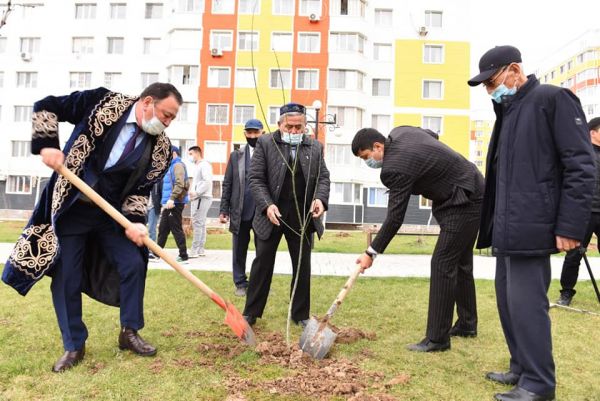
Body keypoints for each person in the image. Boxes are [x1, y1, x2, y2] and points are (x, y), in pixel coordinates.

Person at [1, 82, 180, 372]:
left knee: (133, 263)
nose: (168, 122)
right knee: (66, 276)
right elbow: (47, 104)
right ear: (148, 102)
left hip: (111, 217)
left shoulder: (160, 148)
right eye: (166, 114)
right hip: (73, 209)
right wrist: (47, 144)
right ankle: (74, 345)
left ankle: (129, 331)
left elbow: (139, 191)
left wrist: (136, 224)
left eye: (172, 118)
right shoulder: (102, 103)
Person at [468, 45, 595, 401]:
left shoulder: (553, 100)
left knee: (528, 306)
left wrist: (570, 227)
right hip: (509, 228)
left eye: (493, 82)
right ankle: (521, 368)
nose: (491, 91)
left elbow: (581, 167)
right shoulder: (509, 111)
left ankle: (539, 384)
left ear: (514, 70)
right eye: (487, 88)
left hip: (534, 225)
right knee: (509, 304)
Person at [353, 126, 484, 353]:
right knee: (460, 262)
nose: (369, 163)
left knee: (442, 263)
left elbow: (395, 217)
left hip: (463, 200)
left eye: (367, 157)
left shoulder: (394, 167)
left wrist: (370, 252)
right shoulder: (402, 132)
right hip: (471, 186)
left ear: (377, 146)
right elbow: (431, 135)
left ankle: (437, 339)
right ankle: (466, 325)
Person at [243, 103, 330, 326]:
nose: (293, 132)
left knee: (302, 265)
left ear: (305, 126)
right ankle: (251, 312)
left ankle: (300, 314)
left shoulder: (315, 147)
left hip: (301, 216)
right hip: (271, 214)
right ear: (280, 124)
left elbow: (323, 178)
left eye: (298, 127)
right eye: (289, 127)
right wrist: (267, 205)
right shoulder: (265, 143)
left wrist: (320, 198)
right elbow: (255, 178)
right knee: (262, 263)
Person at [556, 116, 600, 306]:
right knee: (574, 254)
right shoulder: (582, 154)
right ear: (593, 132)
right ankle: (566, 292)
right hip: (584, 212)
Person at [220, 119, 265, 297]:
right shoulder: (236, 156)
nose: (253, 136)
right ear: (245, 134)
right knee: (239, 250)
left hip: (262, 212)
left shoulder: (269, 154)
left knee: (262, 251)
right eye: (249, 133)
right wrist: (224, 209)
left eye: (256, 132)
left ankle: (257, 283)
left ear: (262, 133)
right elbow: (227, 183)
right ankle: (240, 282)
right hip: (240, 210)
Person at [155, 145, 189, 263]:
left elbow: (180, 184)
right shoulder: (172, 166)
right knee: (163, 228)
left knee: (176, 229)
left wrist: (171, 199)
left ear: (173, 153)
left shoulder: (178, 165)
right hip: (170, 202)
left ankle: (183, 256)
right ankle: (157, 253)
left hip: (174, 203)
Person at [187, 145, 213, 257]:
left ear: (197, 153)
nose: (190, 156)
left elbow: (207, 182)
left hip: (202, 198)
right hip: (199, 198)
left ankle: (194, 250)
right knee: (201, 224)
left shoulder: (204, 165)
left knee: (198, 223)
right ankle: (200, 249)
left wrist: (197, 193)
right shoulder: (198, 166)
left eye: (191, 154)